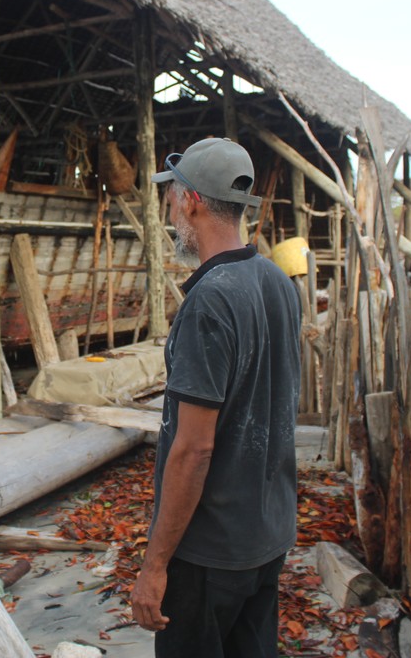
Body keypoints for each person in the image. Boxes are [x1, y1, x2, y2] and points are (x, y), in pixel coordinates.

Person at [131, 138, 302, 658]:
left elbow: (194, 449)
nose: (171, 207)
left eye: (173, 196)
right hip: (265, 536)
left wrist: (155, 564)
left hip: (209, 555)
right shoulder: (276, 282)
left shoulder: (209, 302)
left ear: (193, 201)